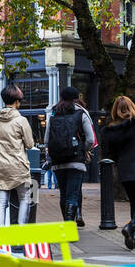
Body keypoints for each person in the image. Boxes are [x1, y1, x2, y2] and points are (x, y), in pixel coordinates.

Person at [101, 95, 135, 250]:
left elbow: (108, 154)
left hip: (124, 170)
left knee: (134, 202)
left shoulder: (109, 130)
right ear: (132, 107)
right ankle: (131, 227)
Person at [43, 85, 95, 226]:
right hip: (76, 161)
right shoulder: (81, 113)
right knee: (73, 195)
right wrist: (82, 149)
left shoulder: (53, 114)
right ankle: (69, 227)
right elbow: (90, 139)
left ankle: (66, 224)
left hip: (58, 161)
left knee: (64, 195)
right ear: (76, 98)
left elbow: (46, 140)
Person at [0, 84, 35, 229]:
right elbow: (29, 144)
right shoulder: (21, 120)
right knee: (25, 198)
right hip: (18, 166)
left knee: (1, 201)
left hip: (0, 166)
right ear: (16, 101)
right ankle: (20, 233)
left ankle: (0, 233)